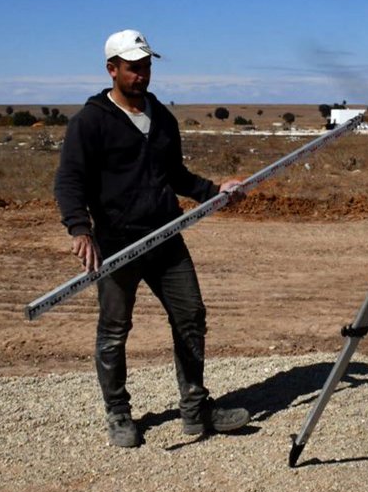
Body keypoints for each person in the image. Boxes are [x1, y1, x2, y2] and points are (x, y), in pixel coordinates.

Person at [54, 29, 250, 448]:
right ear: (112, 69)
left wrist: (214, 191)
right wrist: (80, 229)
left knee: (191, 316)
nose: (142, 75)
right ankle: (119, 414)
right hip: (117, 243)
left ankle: (196, 409)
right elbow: (69, 181)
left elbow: (174, 174)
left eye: (146, 66)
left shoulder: (161, 117)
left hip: (166, 235)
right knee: (114, 330)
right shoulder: (89, 122)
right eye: (133, 68)